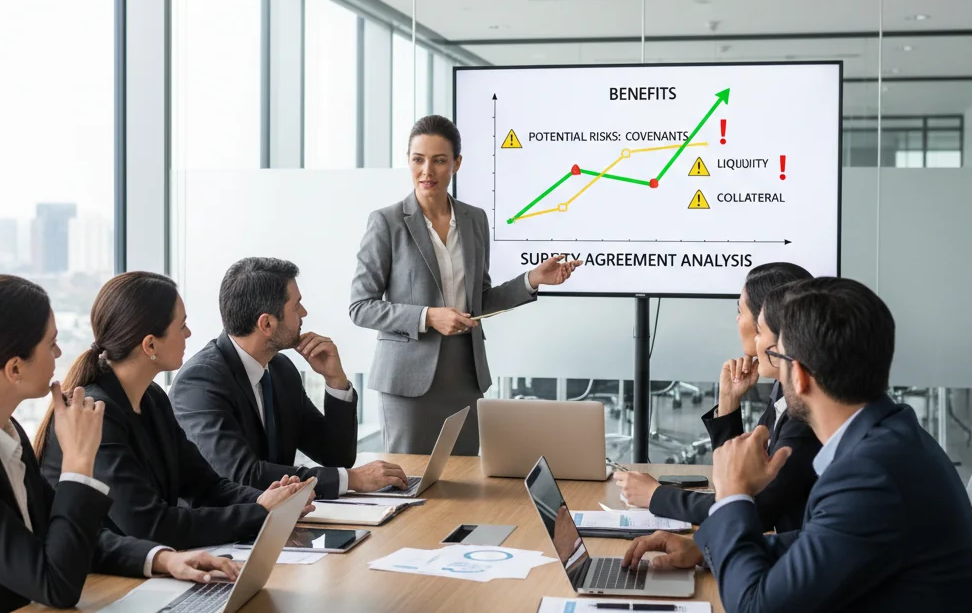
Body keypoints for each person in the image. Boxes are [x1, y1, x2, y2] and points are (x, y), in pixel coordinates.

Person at [623, 278, 972, 613]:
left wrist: (733, 498)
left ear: (800, 375)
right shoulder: (887, 440)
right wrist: (705, 547)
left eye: (778, 354)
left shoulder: (872, 472)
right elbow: (818, 543)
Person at [0, 275, 240, 613]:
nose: (58, 354)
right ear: (14, 368)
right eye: (51, 344)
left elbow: (75, 537)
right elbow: (55, 583)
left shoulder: (3, 431)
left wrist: (163, 559)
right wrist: (77, 464)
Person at [350, 114, 581, 454]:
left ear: (456, 164)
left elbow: (480, 301)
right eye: (418, 160)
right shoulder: (386, 222)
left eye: (439, 160)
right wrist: (429, 316)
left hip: (465, 375)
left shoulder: (474, 220)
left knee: (466, 482)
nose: (427, 171)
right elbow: (361, 306)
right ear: (408, 161)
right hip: (408, 382)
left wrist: (532, 279)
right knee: (409, 483)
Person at [37, 272, 310, 551]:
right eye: (182, 326)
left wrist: (274, 498)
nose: (188, 334)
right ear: (150, 345)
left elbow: (206, 486)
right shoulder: (98, 413)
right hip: (105, 580)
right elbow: (151, 525)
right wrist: (260, 512)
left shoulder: (152, 398)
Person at [170, 257, 409, 497]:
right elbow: (244, 475)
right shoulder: (200, 382)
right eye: (296, 306)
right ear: (267, 323)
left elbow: (335, 456)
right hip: (227, 529)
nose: (304, 313)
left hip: (281, 519)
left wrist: (335, 381)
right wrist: (352, 479)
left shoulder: (280, 369)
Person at [621, 267, 820, 531]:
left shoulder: (803, 410)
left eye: (742, 312)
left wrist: (655, 496)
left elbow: (754, 507)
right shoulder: (783, 391)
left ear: (777, 328)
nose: (738, 321)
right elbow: (737, 480)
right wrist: (728, 402)